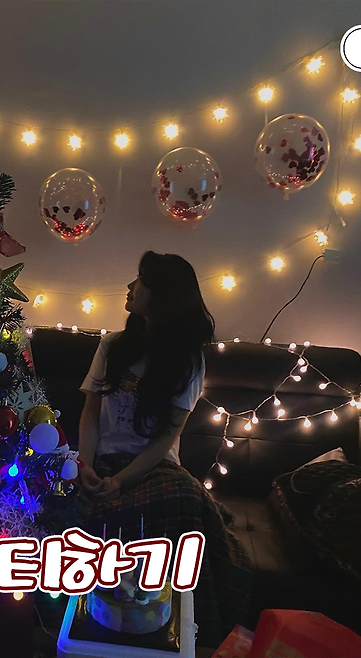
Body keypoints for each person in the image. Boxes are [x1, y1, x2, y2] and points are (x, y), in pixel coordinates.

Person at [78, 250, 252, 646]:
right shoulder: (112, 345)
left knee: (187, 498)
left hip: (152, 470)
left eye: (140, 279)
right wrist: (84, 467)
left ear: (163, 295)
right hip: (100, 462)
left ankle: (189, 631)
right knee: (62, 506)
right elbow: (89, 414)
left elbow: (165, 439)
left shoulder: (188, 362)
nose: (129, 286)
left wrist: (120, 482)